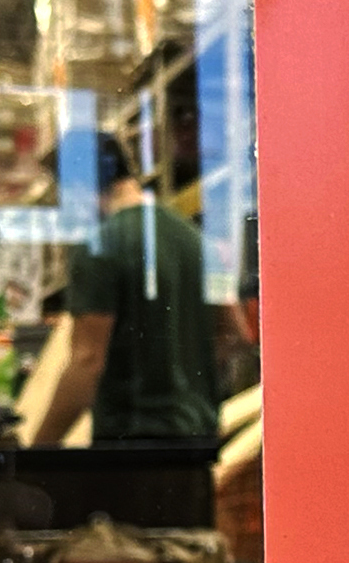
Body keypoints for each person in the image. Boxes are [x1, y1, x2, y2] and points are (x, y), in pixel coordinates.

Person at [29, 137, 217, 446]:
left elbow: (87, 360)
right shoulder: (194, 239)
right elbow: (233, 334)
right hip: (199, 441)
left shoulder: (101, 245)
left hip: (133, 445)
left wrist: (39, 450)